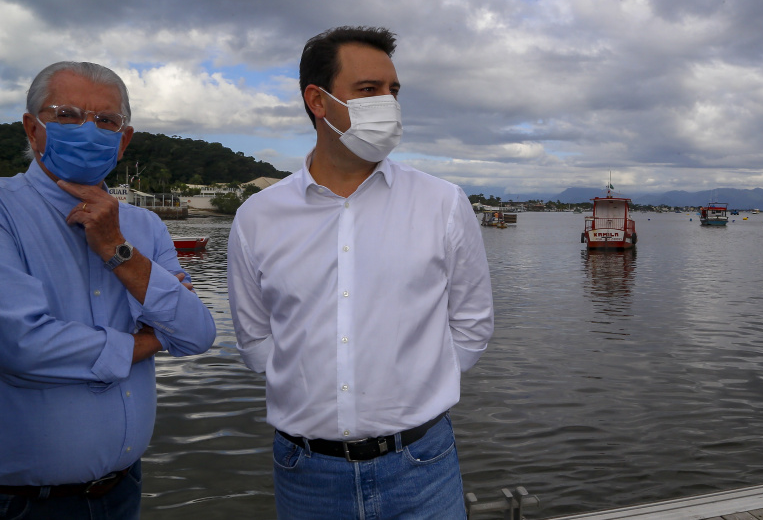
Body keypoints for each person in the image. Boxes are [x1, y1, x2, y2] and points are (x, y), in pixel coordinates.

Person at [228, 26, 494, 519]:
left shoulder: (442, 203)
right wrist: (316, 393)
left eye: (393, 91)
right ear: (318, 101)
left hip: (421, 465)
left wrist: (414, 384)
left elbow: (472, 323)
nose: (388, 104)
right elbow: (256, 339)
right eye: (369, 91)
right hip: (306, 473)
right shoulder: (258, 217)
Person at [0, 62, 217, 519]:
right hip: (23, 504)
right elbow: (21, 346)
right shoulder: (5, 212)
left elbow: (197, 333)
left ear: (124, 140)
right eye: (67, 115)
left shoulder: (144, 226)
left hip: (123, 492)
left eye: (105, 120)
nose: (88, 129)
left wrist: (119, 250)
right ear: (32, 128)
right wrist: (149, 340)